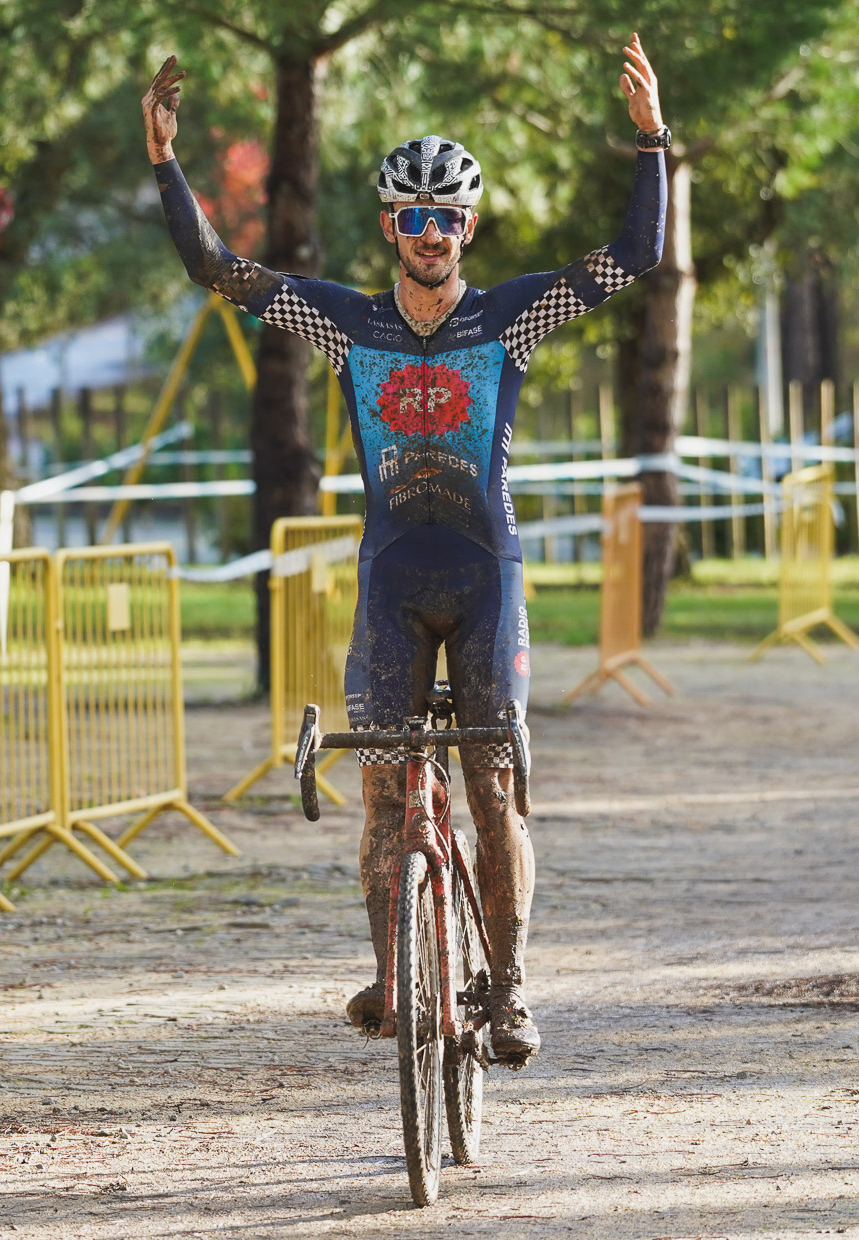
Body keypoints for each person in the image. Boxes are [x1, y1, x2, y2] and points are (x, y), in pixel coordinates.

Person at [143, 37, 667, 1066]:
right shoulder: (349, 326)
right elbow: (217, 268)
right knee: (383, 791)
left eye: (448, 217)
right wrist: (166, 164)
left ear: (469, 227)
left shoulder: (509, 319)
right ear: (391, 225)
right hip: (390, 580)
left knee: (490, 787)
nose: (431, 233)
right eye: (412, 216)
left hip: (485, 578)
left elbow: (633, 258)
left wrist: (652, 141)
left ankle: (509, 988)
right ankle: (393, 977)